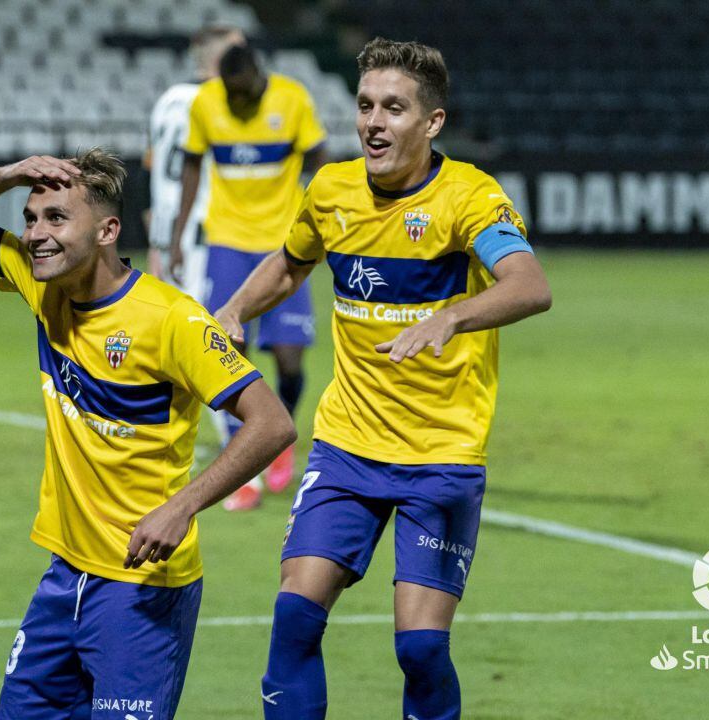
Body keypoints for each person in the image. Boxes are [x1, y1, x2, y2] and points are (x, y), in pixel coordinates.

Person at [214, 38, 552, 719]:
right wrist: (233, 309)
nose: (374, 122)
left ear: (432, 123)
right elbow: (290, 262)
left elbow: (530, 285)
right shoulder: (333, 189)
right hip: (347, 448)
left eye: (394, 109)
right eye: (366, 106)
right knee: (294, 618)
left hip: (441, 454)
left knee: (421, 650)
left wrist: (452, 316)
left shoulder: (469, 198)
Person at [0, 148, 295, 720]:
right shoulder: (40, 281)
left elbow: (273, 423)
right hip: (63, 576)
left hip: (140, 585)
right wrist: (8, 175)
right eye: (29, 218)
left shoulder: (173, 319)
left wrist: (183, 506)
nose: (36, 235)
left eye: (56, 219)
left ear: (106, 231)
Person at [172, 43, 329, 510]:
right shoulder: (206, 104)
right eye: (231, 94)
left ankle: (279, 435)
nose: (237, 103)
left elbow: (319, 156)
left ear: (259, 76)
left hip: (283, 243)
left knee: (288, 359)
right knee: (227, 350)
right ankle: (243, 455)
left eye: (244, 93)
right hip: (226, 240)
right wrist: (181, 234)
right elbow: (193, 165)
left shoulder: (292, 99)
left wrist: (317, 213)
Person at [144, 25, 245, 300]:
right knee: (210, 331)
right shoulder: (221, 102)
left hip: (167, 232)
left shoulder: (166, 100)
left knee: (173, 327)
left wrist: (154, 244)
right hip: (206, 230)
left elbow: (150, 173)